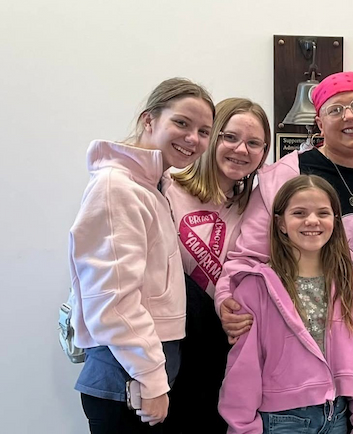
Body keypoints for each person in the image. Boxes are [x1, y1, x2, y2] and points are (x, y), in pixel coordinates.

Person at [215, 71, 353, 433]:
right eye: (336, 109)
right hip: (314, 351)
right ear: (319, 121)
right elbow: (245, 258)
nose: (349, 116)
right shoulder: (284, 175)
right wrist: (226, 300)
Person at [68, 78, 215, 433]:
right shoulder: (116, 187)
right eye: (181, 123)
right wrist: (150, 379)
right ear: (149, 120)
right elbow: (112, 299)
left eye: (203, 131)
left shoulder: (149, 186)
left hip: (140, 370)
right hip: (127, 378)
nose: (193, 138)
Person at [218, 174, 353, 433]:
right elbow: (243, 370)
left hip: (339, 417)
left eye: (322, 213)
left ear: (335, 220)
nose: (312, 221)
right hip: (279, 422)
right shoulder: (255, 288)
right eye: (299, 212)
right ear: (280, 223)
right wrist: (242, 427)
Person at [162, 98, 270, 433]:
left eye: (254, 143)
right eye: (230, 137)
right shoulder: (166, 186)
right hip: (169, 348)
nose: (241, 150)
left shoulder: (255, 207)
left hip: (220, 351)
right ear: (211, 137)